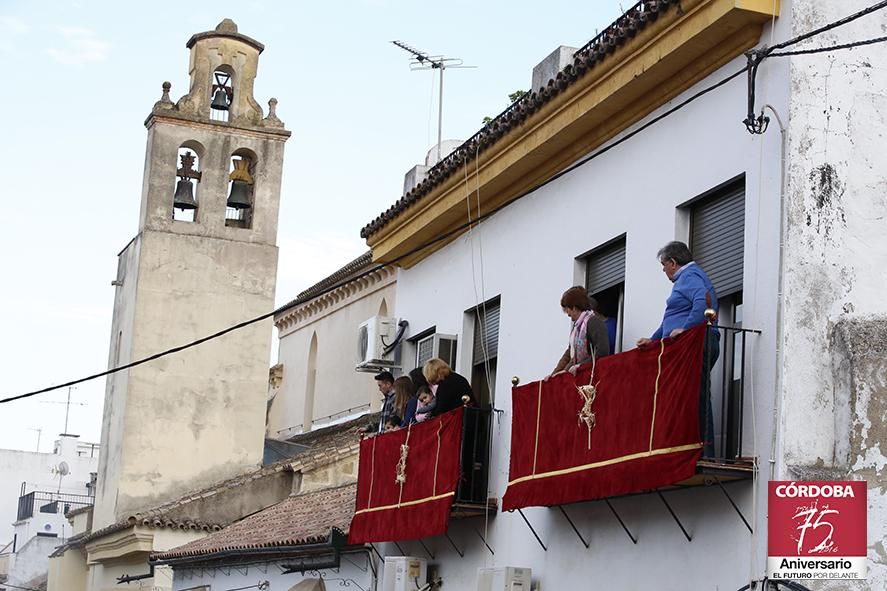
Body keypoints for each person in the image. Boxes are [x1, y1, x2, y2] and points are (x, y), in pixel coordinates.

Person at [636, 241, 719, 457]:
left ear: (673, 262)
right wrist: (653, 340)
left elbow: (704, 302)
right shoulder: (685, 280)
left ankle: (705, 452)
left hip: (695, 344)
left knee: (697, 397)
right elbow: (669, 320)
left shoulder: (690, 276)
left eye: (664, 266)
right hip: (690, 345)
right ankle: (691, 450)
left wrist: (686, 329)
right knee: (689, 397)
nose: (663, 271)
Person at [550, 286, 610, 377]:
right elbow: (570, 355)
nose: (568, 314)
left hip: (593, 377)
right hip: (581, 376)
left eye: (567, 310)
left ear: (574, 308)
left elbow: (603, 351)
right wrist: (555, 374)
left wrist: (581, 366)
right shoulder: (576, 328)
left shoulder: (593, 322)